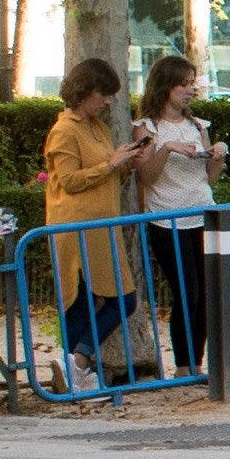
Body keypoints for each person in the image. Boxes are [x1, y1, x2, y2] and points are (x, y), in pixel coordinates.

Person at [38, 56, 145, 390]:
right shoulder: (64, 131)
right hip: (75, 226)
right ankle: (76, 369)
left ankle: (76, 362)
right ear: (85, 92)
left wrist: (126, 161)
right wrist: (112, 164)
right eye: (103, 93)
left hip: (101, 226)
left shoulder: (95, 127)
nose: (107, 100)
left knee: (121, 299)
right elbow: (69, 181)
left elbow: (106, 171)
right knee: (81, 300)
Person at [134, 56, 221, 374]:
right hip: (166, 218)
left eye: (191, 84)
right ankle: (184, 364)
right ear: (165, 86)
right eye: (182, 84)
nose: (189, 90)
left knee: (206, 293)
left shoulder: (198, 126)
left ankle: (195, 362)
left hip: (203, 213)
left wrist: (218, 157)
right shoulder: (148, 128)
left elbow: (209, 177)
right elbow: (146, 176)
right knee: (187, 292)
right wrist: (167, 148)